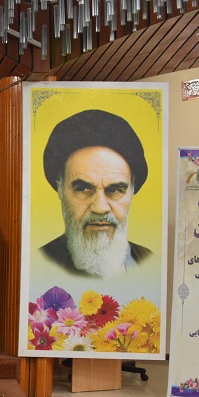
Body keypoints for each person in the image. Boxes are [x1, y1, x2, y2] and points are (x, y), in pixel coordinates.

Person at [39, 109, 153, 277]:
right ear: (60, 188)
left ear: (132, 190)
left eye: (115, 190)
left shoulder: (148, 260)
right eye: (83, 189)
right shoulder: (39, 264)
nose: (100, 208)